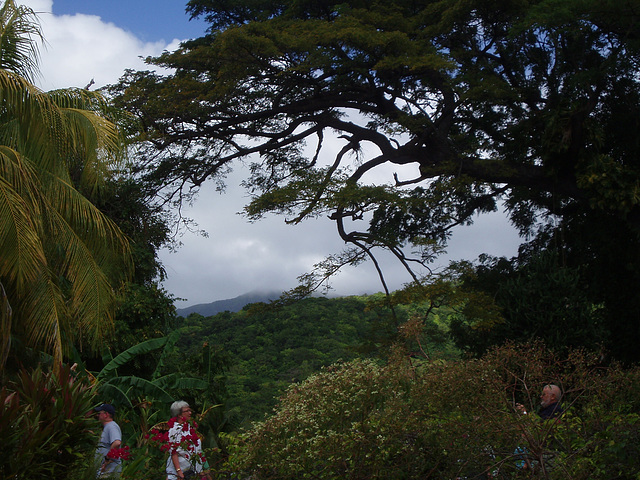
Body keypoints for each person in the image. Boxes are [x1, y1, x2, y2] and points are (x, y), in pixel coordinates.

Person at [165, 401, 210, 480]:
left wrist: (201, 469)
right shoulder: (174, 430)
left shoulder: (189, 428)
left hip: (192, 470)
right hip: (180, 472)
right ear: (179, 415)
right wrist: (179, 471)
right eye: (187, 411)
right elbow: (173, 452)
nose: (190, 413)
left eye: (190, 410)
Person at [95, 403, 122, 478]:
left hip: (109, 470)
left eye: (99, 413)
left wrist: (107, 459)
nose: (98, 415)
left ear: (106, 414)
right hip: (105, 470)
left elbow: (117, 443)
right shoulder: (108, 427)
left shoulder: (112, 427)